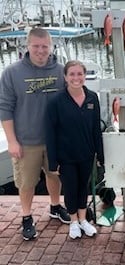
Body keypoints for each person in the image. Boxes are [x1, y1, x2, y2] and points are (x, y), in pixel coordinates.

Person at [0, 27, 70, 241]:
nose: (41, 50)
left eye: (44, 46)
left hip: (54, 139)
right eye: (36, 46)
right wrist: (12, 141)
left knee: (54, 176)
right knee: (26, 182)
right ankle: (26, 216)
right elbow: (5, 108)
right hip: (26, 140)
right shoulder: (11, 73)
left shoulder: (61, 71)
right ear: (27, 46)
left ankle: (55, 206)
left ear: (51, 47)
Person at [45, 60, 104, 239]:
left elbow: (96, 129)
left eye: (80, 74)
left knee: (82, 188)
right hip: (66, 156)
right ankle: (73, 222)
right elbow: (50, 133)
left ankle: (83, 219)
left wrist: (101, 155)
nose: (76, 78)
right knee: (70, 188)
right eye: (72, 74)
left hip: (86, 154)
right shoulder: (55, 101)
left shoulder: (93, 97)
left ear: (85, 76)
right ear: (65, 77)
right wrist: (53, 162)